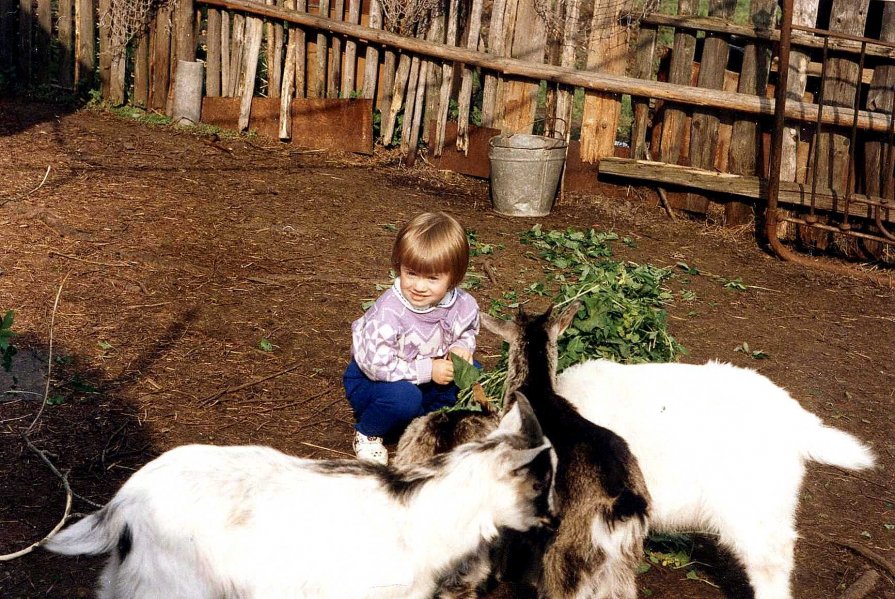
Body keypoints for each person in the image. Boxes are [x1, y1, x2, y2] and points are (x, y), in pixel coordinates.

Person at [344, 211, 480, 465]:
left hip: (424, 376)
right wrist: (429, 369)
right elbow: (377, 366)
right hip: (375, 381)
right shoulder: (389, 313)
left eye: (432, 278)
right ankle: (368, 432)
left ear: (454, 279)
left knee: (471, 371)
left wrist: (462, 347)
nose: (419, 286)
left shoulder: (462, 304)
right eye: (412, 274)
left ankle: (428, 423)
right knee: (404, 398)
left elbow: (468, 330)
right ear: (400, 267)